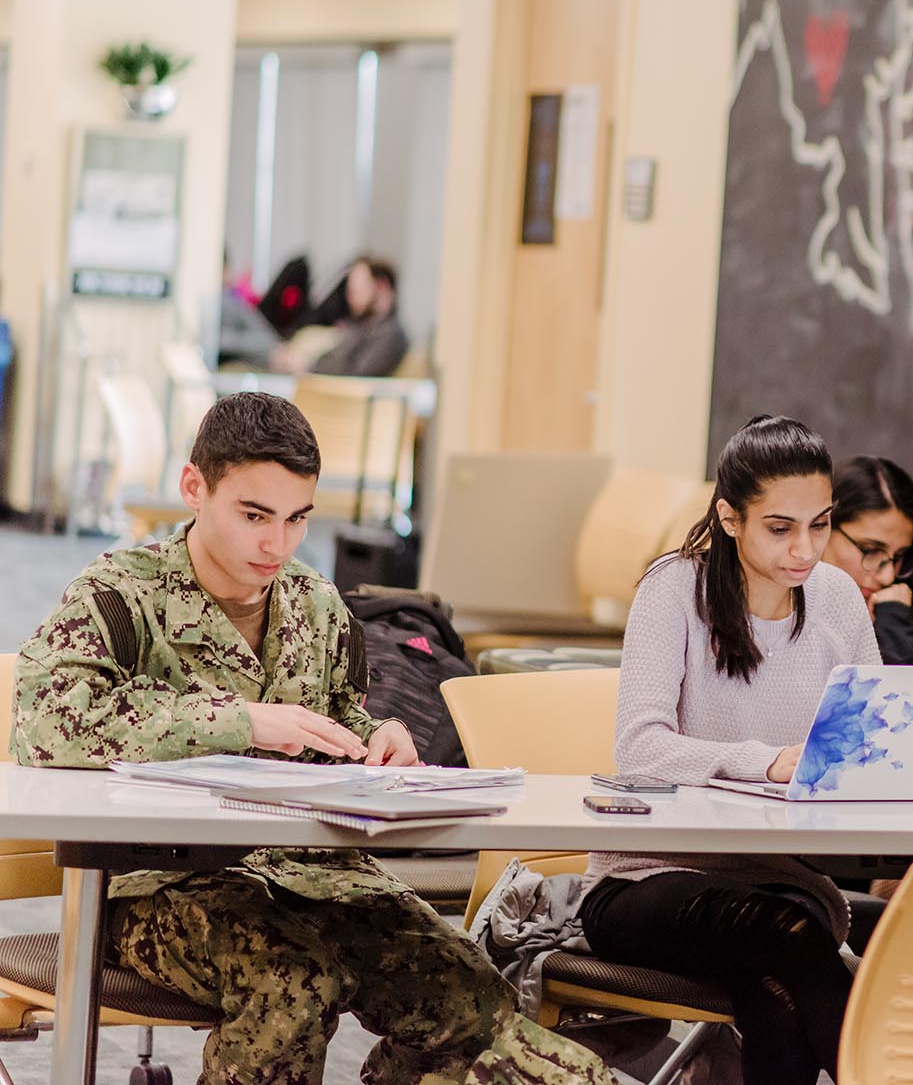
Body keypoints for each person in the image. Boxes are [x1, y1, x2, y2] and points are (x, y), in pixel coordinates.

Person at [10, 392, 614, 1085]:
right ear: (193, 488)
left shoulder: (316, 603)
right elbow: (44, 724)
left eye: (298, 518)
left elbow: (338, 721)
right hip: (163, 883)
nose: (277, 543)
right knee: (293, 983)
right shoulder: (122, 595)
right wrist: (241, 719)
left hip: (321, 875)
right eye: (254, 515)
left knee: (470, 996)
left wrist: (381, 738)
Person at [579, 415, 879, 1085]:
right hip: (642, 879)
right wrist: (766, 759)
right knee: (787, 937)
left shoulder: (837, 600)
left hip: (776, 882)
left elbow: (865, 744)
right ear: (730, 516)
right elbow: (641, 748)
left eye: (822, 524)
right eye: (781, 527)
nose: (805, 549)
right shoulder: (672, 590)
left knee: (772, 998)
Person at [826, 455, 913, 664]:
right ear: (822, 528)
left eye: (898, 557)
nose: (888, 576)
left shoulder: (891, 616)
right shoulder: (773, 617)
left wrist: (894, 625)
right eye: (870, 550)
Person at [275, 258, 409, 377]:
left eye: (357, 289)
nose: (349, 297)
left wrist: (307, 367)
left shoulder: (390, 333)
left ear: (381, 286)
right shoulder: (358, 325)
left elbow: (357, 375)